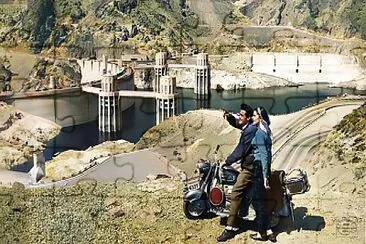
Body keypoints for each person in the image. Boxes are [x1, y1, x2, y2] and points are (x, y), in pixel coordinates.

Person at [217, 104, 257, 242]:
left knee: (236, 192)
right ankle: (241, 211)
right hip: (249, 165)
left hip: (250, 168)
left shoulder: (250, 131)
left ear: (249, 118)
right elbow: (238, 123)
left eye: (241, 115)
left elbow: (240, 150)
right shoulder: (249, 126)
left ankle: (230, 228)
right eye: (239, 114)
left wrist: (227, 161)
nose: (239, 116)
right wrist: (229, 116)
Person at [249, 106, 276, 242]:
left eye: (254, 116)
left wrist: (265, 176)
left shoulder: (259, 133)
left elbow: (264, 155)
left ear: (260, 117)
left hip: (259, 168)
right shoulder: (266, 131)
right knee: (260, 201)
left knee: (257, 201)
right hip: (263, 168)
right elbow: (269, 154)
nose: (252, 118)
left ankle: (261, 233)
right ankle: (269, 230)